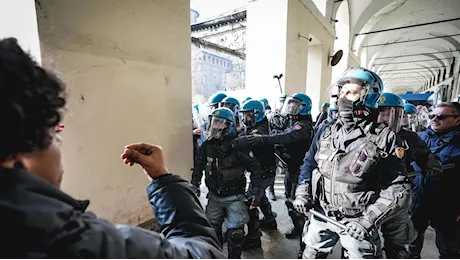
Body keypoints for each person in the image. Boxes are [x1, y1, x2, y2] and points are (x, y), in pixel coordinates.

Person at [0, 37, 224, 259]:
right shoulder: (88, 246)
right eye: (53, 135)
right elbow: (203, 255)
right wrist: (165, 180)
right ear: (17, 160)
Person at [294, 67, 410, 259]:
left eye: (352, 93)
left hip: (357, 221)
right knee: (310, 255)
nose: (344, 97)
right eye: (342, 91)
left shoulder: (385, 138)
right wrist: (302, 192)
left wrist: (367, 221)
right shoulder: (326, 130)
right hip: (322, 214)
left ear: (369, 96)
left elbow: (398, 189)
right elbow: (309, 163)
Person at [233, 93, 314, 239]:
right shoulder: (291, 121)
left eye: (294, 105)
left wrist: (260, 139)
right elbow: (280, 132)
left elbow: (285, 137)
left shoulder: (304, 126)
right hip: (291, 168)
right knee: (289, 202)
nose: (290, 108)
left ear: (303, 108)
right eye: (289, 104)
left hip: (300, 170)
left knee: (296, 205)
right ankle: (289, 226)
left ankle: (303, 237)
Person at [191, 107, 264, 260]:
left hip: (235, 196)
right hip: (214, 196)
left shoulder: (238, 145)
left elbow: (256, 169)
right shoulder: (207, 145)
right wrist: (194, 185)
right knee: (212, 230)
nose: (215, 126)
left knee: (236, 234)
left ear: (228, 126)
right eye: (213, 122)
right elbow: (199, 166)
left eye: (219, 122)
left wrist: (256, 193)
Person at [409, 102, 460, 260]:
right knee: (412, 240)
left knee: (448, 249)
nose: (435, 119)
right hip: (419, 200)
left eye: (441, 116)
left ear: (457, 120)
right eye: (432, 116)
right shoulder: (419, 138)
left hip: (448, 206)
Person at [238, 100, 278, 249]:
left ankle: (254, 237)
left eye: (248, 115)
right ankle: (270, 220)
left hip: (262, 172)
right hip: (266, 172)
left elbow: (245, 142)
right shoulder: (258, 126)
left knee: (251, 202)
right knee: (261, 197)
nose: (245, 118)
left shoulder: (259, 131)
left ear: (256, 115)